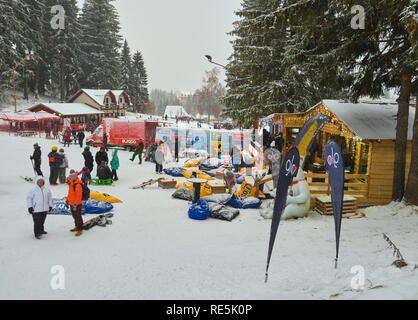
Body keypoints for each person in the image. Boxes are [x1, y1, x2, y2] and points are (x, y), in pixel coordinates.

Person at [66, 172, 84, 237]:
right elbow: (70, 193)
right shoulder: (72, 184)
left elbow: (79, 196)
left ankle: (80, 229)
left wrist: (75, 204)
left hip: (77, 204)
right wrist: (67, 200)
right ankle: (77, 226)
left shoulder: (77, 185)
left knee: (78, 216)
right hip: (72, 203)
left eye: (69, 178)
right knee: (74, 215)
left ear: (73, 178)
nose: (68, 180)